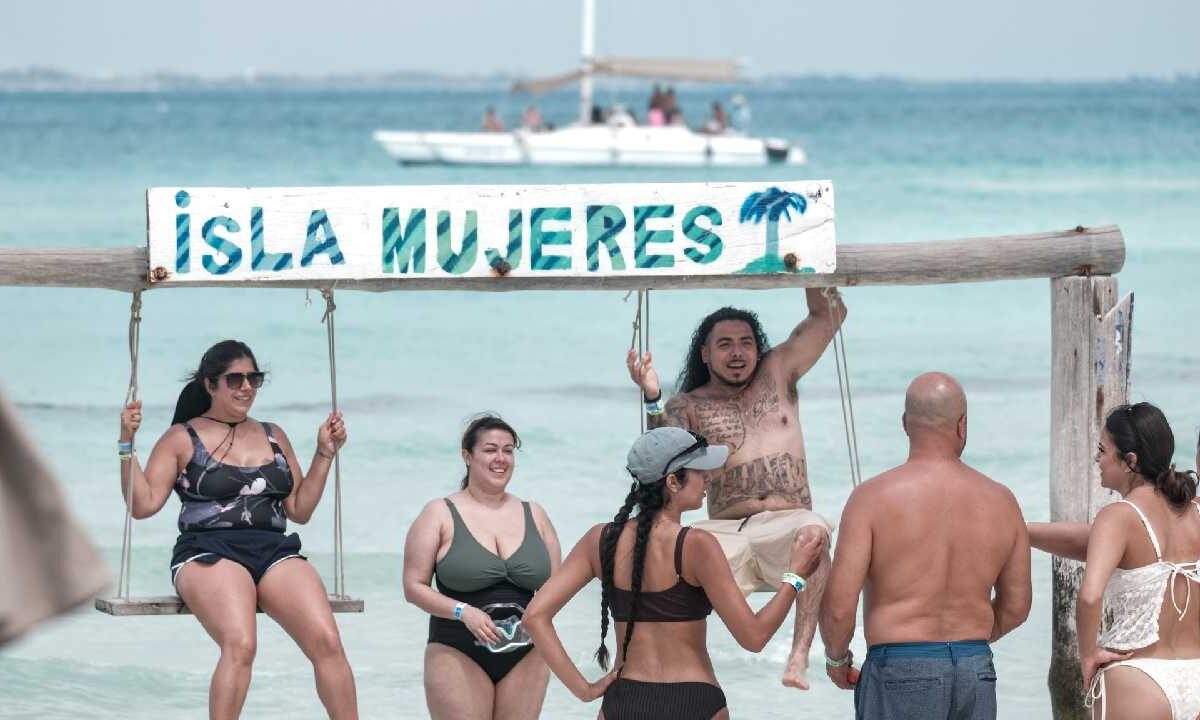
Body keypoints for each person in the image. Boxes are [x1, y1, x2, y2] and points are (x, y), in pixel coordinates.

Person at [117, 339, 357, 720]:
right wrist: (126, 443)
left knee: (327, 641)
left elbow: (300, 509)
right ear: (210, 384)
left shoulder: (274, 434)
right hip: (207, 552)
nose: (246, 387)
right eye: (235, 379)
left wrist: (325, 453)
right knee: (241, 644)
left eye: (254, 378)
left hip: (273, 551)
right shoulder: (182, 438)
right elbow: (143, 505)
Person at [525, 427, 826, 719]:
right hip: (694, 701)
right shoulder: (696, 545)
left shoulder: (600, 540)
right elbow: (754, 637)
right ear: (672, 482)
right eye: (700, 471)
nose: (709, 478)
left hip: (624, 700)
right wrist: (796, 575)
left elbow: (535, 617)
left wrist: (584, 690)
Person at [625, 290, 846, 689]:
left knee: (815, 534)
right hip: (726, 530)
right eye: (724, 344)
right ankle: (652, 668)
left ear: (758, 348)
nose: (737, 352)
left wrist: (812, 267)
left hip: (788, 521)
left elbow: (828, 316)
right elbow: (662, 456)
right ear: (706, 355)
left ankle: (798, 657)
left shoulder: (779, 370)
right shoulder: (689, 404)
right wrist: (654, 397)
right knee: (657, 554)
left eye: (746, 342)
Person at [819, 372, 1032, 720]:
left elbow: (840, 608)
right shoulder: (1002, 501)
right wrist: (966, 638)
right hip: (975, 669)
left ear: (905, 424)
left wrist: (837, 659)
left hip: (900, 669)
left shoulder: (871, 499)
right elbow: (1017, 607)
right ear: (962, 425)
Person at [1030, 404, 1199, 720]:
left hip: (1137, 679)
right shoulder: (1195, 512)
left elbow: (1090, 596)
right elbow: (1087, 541)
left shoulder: (1118, 517)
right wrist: (1022, 531)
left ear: (1130, 461)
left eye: (1102, 450)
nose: (1097, 459)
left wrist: (1087, 656)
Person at [403, 414, 561, 720]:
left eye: (508, 450)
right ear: (467, 456)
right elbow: (413, 587)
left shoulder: (535, 514)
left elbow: (558, 585)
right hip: (458, 649)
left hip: (528, 650)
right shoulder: (439, 513)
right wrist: (463, 611)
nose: (501, 458)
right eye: (490, 450)